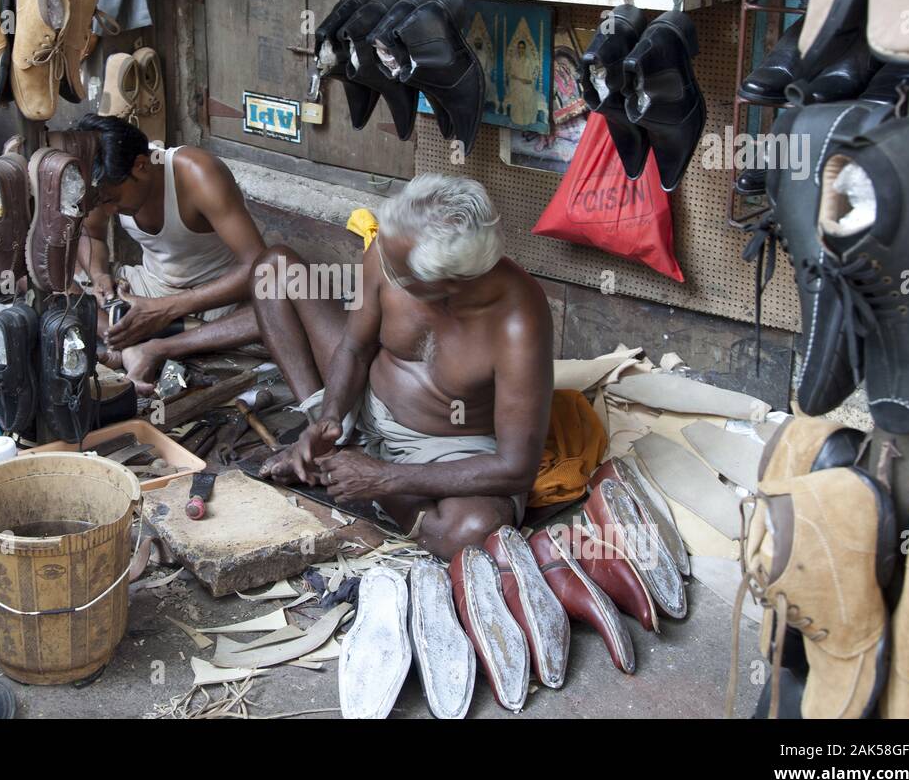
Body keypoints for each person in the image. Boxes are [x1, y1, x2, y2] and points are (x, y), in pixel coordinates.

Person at [254, 174, 553, 560]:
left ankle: (348, 469)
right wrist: (329, 418)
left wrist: (383, 478)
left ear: (449, 283)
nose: (383, 269)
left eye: (400, 276)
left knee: (470, 533)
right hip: (367, 403)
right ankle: (336, 451)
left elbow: (516, 468)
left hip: (447, 447)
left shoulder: (518, 320)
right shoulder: (389, 249)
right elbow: (355, 348)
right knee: (274, 270)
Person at [75, 116, 267, 393]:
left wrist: (169, 308)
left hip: (218, 297)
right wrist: (99, 276)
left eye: (112, 200)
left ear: (141, 166)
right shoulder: (99, 184)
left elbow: (258, 268)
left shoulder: (197, 173)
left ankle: (156, 344)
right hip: (151, 287)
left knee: (285, 301)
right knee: (52, 274)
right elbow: (90, 235)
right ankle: (127, 344)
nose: (108, 211)